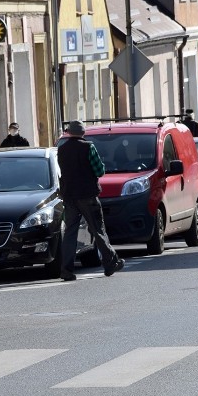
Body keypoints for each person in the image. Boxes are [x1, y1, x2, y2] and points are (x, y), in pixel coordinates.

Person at [57, 120, 124, 282]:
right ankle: (110, 262)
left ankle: (66, 270)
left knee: (70, 233)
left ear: (69, 132)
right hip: (87, 195)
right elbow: (99, 170)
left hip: (69, 196)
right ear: (83, 133)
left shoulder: (62, 149)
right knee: (97, 229)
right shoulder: (88, 147)